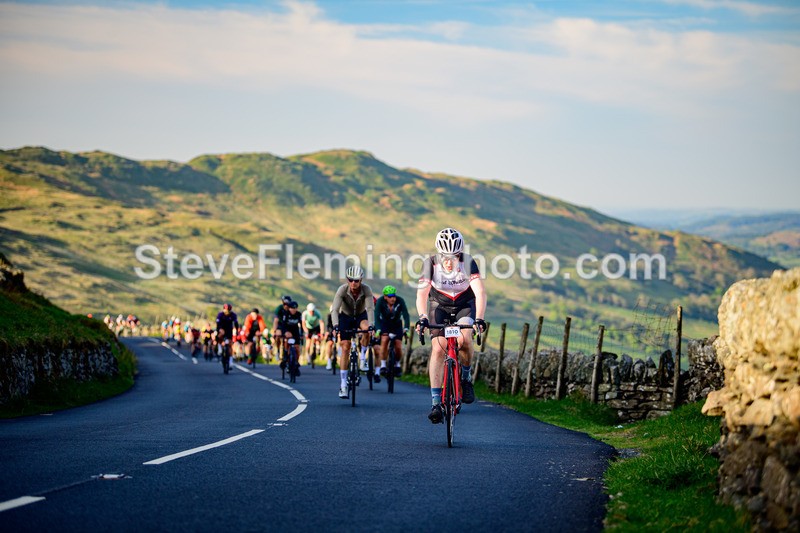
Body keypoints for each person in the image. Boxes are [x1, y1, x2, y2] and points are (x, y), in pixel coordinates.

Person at [416, 227, 487, 424]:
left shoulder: (468, 262)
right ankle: (436, 403)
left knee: (465, 339)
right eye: (445, 257)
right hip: (439, 305)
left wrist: (479, 318)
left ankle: (465, 378)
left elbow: (480, 293)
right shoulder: (430, 264)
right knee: (438, 348)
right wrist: (422, 317)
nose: (449, 261)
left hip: (464, 305)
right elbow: (422, 294)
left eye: (454, 256)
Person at [331, 265, 375, 399]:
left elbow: (370, 308)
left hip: (361, 316)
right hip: (346, 317)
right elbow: (335, 310)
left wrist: (372, 325)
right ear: (347, 280)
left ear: (361, 280)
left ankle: (362, 358)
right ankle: (343, 384)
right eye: (350, 280)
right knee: (345, 347)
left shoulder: (366, 289)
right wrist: (335, 325)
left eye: (356, 280)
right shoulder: (342, 290)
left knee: (366, 328)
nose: (353, 283)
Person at [374, 285, 410, 379]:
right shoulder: (380, 301)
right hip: (385, 324)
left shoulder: (400, 300)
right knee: (384, 340)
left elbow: (406, 315)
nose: (393, 298)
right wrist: (378, 329)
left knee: (398, 346)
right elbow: (376, 316)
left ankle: (397, 364)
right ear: (385, 297)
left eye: (394, 296)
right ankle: (383, 365)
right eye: (390, 297)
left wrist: (406, 328)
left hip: (396, 324)